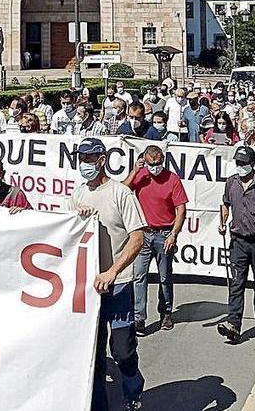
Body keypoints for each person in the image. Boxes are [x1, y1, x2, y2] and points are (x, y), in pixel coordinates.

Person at [71, 138, 146, 411]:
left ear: (102, 160)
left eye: (90, 159)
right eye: (81, 158)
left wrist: (113, 271)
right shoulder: (78, 193)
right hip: (90, 287)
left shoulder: (120, 194)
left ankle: (133, 386)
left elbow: (137, 238)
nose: (85, 164)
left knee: (122, 351)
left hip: (119, 286)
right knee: (95, 356)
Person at [217, 146, 255, 343]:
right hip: (238, 241)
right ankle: (234, 323)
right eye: (238, 163)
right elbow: (226, 204)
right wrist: (222, 222)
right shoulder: (231, 183)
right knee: (237, 283)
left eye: (244, 163)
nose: (240, 167)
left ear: (252, 164)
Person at [123, 146, 188, 335]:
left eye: (158, 163)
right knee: (139, 276)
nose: (155, 167)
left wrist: (173, 234)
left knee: (164, 276)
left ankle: (166, 312)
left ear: (163, 160)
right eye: (151, 164)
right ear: (145, 161)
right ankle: (138, 318)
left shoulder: (172, 179)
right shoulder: (141, 175)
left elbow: (181, 210)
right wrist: (135, 171)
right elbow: (122, 190)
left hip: (164, 233)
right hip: (143, 233)